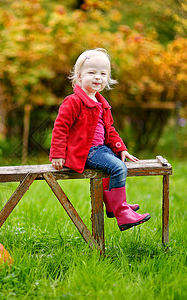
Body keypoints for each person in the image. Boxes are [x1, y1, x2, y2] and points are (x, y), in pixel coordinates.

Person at [50, 48, 150, 231]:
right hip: (85, 151)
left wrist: (121, 148)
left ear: (108, 79)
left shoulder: (101, 104)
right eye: (92, 72)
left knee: (116, 164)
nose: (98, 77)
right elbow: (60, 128)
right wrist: (57, 154)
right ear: (79, 77)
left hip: (100, 149)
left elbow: (109, 130)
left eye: (103, 73)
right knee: (118, 167)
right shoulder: (73, 101)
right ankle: (122, 213)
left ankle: (115, 206)